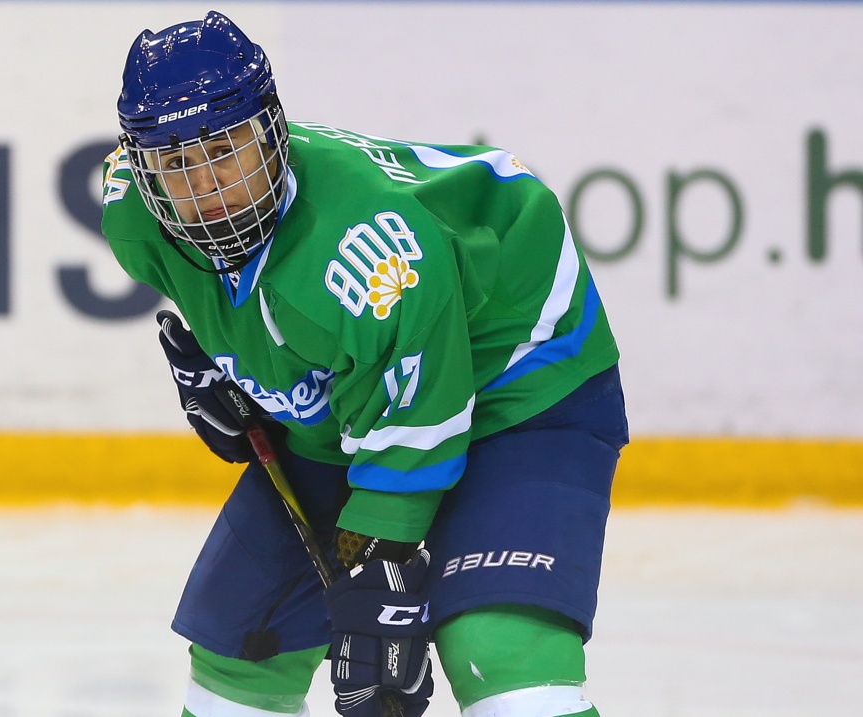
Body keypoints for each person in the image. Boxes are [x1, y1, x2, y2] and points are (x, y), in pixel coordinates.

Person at [101, 10, 629, 717]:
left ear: (272, 132)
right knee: (243, 649)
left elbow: (420, 416)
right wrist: (239, 370)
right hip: (363, 400)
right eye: (176, 164)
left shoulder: (370, 254)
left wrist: (378, 566)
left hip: (522, 379)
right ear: (141, 168)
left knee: (499, 647)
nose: (206, 188)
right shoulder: (134, 217)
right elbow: (257, 308)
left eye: (224, 149)